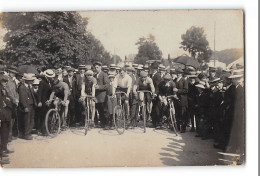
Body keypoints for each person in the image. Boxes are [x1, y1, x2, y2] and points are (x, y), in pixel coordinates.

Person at [18, 73, 37, 140]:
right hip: (27, 105)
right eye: (30, 80)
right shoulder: (22, 87)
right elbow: (22, 98)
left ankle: (28, 133)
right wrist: (25, 106)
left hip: (32, 105)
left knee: (31, 120)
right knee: (26, 120)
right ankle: (26, 134)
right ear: (26, 81)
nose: (32, 81)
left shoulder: (30, 87)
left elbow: (33, 96)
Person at [0, 74, 13, 165]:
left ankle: (4, 149)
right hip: (2, 115)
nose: (5, 83)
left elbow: (9, 100)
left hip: (6, 114)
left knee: (6, 133)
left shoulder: (4, 90)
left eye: (6, 81)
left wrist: (7, 102)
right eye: (3, 81)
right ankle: (2, 153)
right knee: (2, 133)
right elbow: (3, 103)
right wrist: (7, 102)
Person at [36, 69, 54, 135]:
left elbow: (52, 90)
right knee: (42, 115)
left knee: (47, 115)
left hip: (48, 100)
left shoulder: (51, 82)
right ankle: (41, 130)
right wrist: (39, 101)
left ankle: (47, 129)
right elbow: (39, 92)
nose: (51, 78)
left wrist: (50, 99)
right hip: (43, 100)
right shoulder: (42, 82)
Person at [93, 62, 109, 128]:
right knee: (98, 110)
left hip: (102, 95)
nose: (96, 69)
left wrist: (99, 87)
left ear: (100, 67)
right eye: (95, 67)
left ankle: (105, 124)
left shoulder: (104, 75)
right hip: (96, 96)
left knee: (104, 110)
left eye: (97, 67)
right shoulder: (94, 75)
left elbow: (107, 85)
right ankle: (101, 123)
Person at [5, 66, 19, 140]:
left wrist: (17, 99)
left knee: (13, 118)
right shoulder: (7, 81)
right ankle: (8, 136)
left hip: (14, 102)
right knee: (9, 119)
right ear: (9, 73)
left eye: (14, 73)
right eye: (11, 73)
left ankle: (10, 134)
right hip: (9, 102)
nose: (13, 74)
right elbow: (8, 92)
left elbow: (16, 92)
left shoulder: (13, 81)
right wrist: (14, 99)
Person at [175, 68, 189, 133]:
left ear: (181, 74)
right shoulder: (175, 80)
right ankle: (177, 126)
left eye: (179, 73)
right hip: (176, 98)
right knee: (177, 113)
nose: (178, 74)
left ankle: (183, 127)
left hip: (183, 99)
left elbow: (186, 90)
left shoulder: (184, 81)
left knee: (183, 113)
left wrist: (178, 90)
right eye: (177, 73)